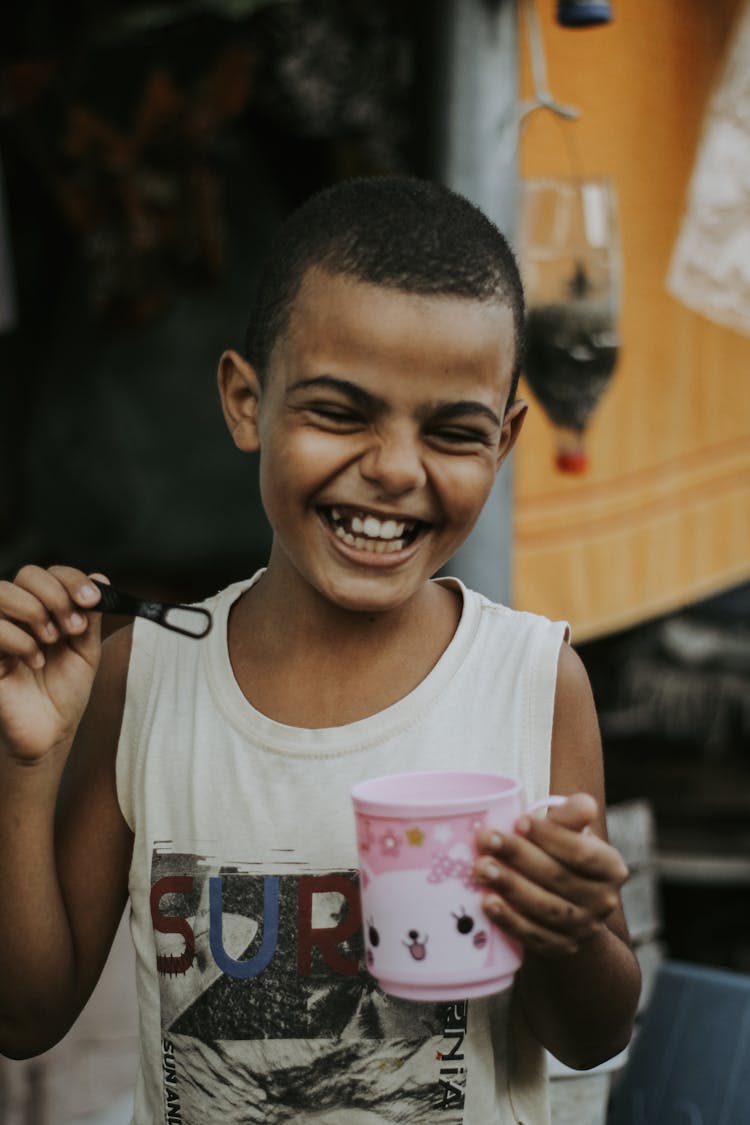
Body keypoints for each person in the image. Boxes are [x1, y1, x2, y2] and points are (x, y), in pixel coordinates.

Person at [0, 176, 640, 1124]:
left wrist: (573, 929)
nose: (393, 468)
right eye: (341, 412)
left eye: (453, 432)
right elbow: (26, 1017)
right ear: (245, 401)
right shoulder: (147, 678)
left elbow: (589, 1035)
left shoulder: (533, 681)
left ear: (502, 443)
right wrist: (27, 764)